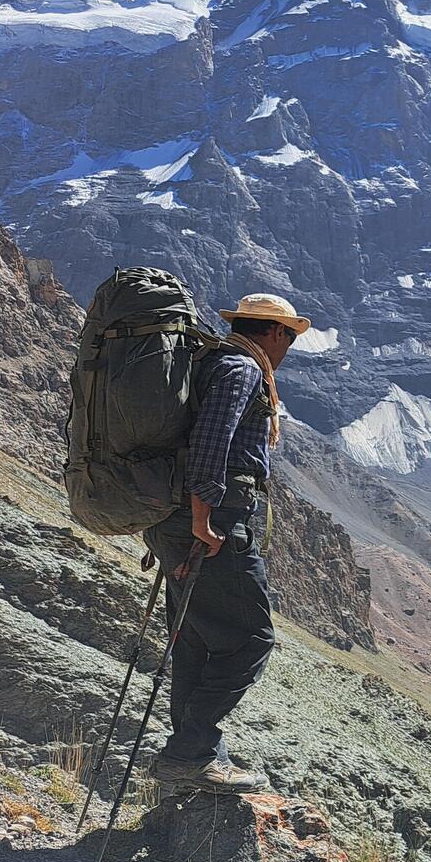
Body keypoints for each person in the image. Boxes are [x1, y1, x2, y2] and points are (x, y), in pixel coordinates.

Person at [142, 292, 311, 793]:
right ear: (276, 333)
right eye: (290, 338)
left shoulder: (207, 363)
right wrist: (200, 520)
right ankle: (190, 752)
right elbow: (212, 444)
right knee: (251, 639)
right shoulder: (241, 369)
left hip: (175, 525)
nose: (289, 348)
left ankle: (194, 756)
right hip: (212, 529)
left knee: (194, 641)